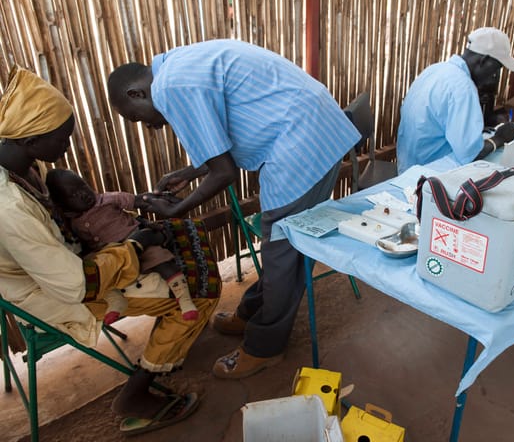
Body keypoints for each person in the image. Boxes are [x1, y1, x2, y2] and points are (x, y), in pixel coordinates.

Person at [107, 39, 362, 379]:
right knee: (284, 248)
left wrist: (177, 210)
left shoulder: (171, 86)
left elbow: (224, 172)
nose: (146, 126)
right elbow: (223, 139)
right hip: (315, 130)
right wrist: (189, 172)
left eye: (133, 118)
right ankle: (252, 310)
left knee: (282, 251)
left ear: (136, 94)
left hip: (301, 141)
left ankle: (265, 347)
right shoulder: (177, 67)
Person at [0, 66, 218, 434]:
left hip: (71, 263)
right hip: (58, 292)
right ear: (30, 141)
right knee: (201, 290)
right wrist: (134, 246)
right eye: (62, 138)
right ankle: (137, 391)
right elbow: (74, 285)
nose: (67, 147)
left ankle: (174, 344)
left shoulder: (23, 165)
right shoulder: (9, 208)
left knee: (184, 234)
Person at [45, 168, 199, 323]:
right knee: (96, 273)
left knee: (162, 261)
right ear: (64, 204)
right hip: (113, 256)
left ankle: (184, 299)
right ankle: (116, 300)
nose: (83, 194)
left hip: (139, 242)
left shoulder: (108, 200)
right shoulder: (74, 223)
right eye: (73, 195)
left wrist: (161, 201)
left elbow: (140, 200)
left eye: (83, 187)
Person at [396, 27, 514, 174]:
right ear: (484, 61)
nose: (494, 76)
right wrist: (500, 139)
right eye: (496, 69)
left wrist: (472, 131)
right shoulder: (463, 87)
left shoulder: (435, 69)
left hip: (407, 167)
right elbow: (470, 154)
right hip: (431, 174)